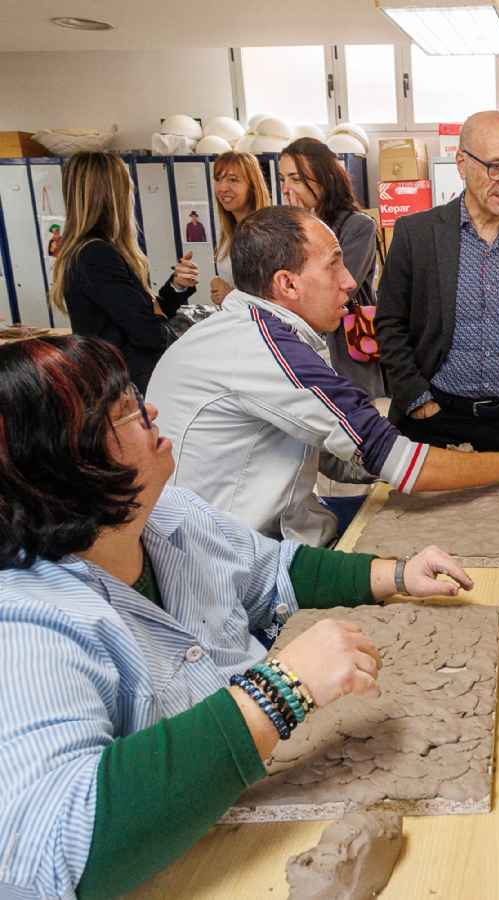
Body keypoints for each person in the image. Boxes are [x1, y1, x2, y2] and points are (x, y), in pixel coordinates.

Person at [0, 334, 472, 900]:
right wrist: (280, 690)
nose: (149, 410)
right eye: (123, 409)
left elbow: (274, 573)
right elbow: (53, 847)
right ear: (63, 458)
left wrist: (396, 574)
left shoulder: (164, 512)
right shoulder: (27, 623)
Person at [148, 205, 499, 548]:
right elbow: (392, 459)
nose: (350, 282)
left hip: (262, 528)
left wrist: (436, 459)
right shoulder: (264, 350)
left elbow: (341, 453)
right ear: (287, 284)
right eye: (334, 266)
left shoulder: (261, 333)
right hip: (232, 557)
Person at [376, 110, 499, 452]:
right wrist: (417, 401)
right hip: (434, 416)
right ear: (462, 164)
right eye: (496, 166)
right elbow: (390, 323)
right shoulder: (416, 234)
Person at [49, 151, 199, 394]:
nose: (132, 197)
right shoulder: (96, 255)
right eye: (129, 188)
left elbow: (140, 316)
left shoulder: (97, 251)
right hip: (130, 386)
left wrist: (177, 286)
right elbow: (149, 332)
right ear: (112, 196)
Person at [280, 138, 385, 400]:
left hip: (346, 350)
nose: (286, 189)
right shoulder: (284, 229)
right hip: (300, 347)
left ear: (325, 178)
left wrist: (306, 228)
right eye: (282, 179)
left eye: (296, 179)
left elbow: (334, 290)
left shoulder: (357, 226)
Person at [210, 150, 270, 306]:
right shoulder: (228, 232)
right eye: (218, 179)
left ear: (252, 186)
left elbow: (275, 303)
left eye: (233, 180)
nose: (223, 188)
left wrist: (230, 296)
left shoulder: (268, 235)